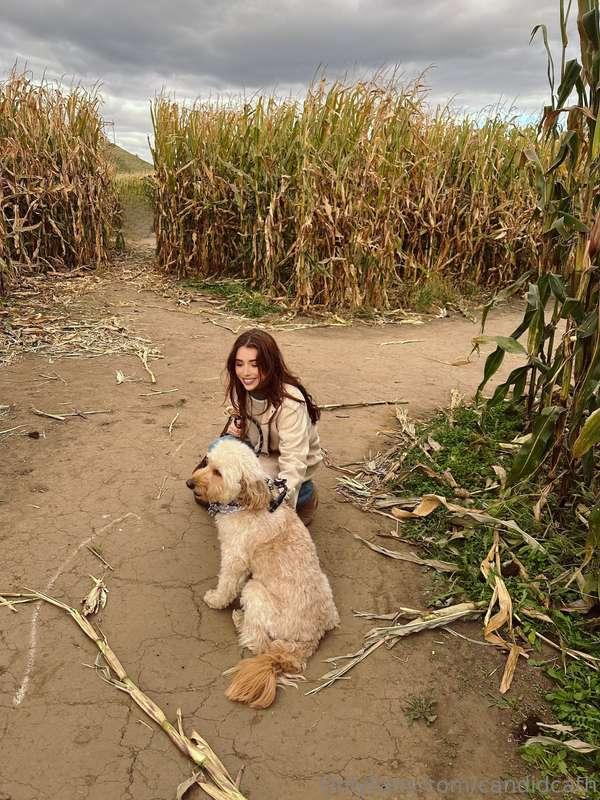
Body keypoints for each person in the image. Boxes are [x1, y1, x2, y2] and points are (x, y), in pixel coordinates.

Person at [223, 328, 322, 526]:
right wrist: (236, 430)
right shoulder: (240, 388)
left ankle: (306, 495)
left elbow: (293, 463)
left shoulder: (291, 404)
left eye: (255, 365)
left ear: (270, 365)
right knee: (218, 449)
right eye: (239, 364)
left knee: (255, 485)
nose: (245, 372)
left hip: (284, 461)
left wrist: (281, 515)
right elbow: (242, 430)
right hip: (260, 451)